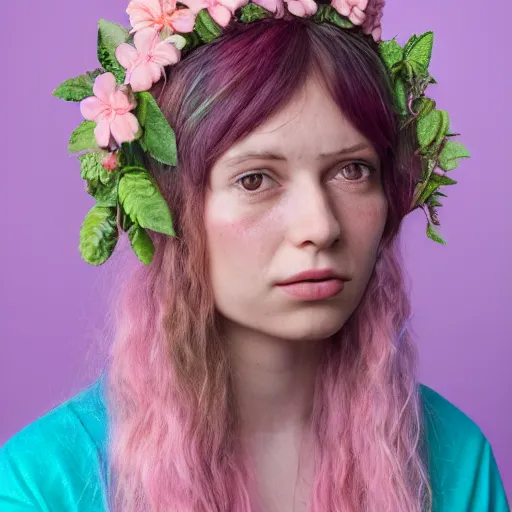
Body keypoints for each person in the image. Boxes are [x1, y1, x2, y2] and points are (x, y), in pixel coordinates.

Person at [0, 0, 509, 510]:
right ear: (165, 206)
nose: (321, 227)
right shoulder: (45, 485)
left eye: (352, 170)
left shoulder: (457, 462)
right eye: (255, 179)